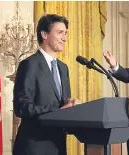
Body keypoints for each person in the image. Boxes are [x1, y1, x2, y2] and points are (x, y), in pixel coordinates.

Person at [13, 14, 80, 155]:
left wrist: (72, 107)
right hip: (34, 146)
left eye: (66, 33)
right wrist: (59, 110)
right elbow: (22, 107)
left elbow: (63, 104)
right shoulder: (29, 65)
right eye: (60, 32)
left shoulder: (63, 68)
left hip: (58, 146)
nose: (65, 38)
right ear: (44, 34)